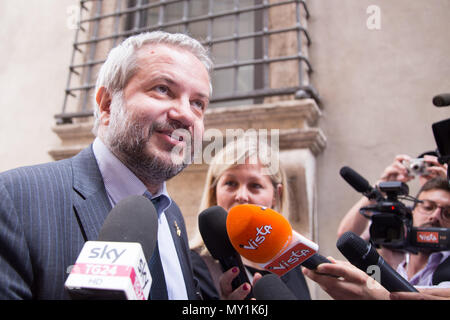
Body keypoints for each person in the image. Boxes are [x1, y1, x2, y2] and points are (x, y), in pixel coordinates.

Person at [0, 31, 212, 299]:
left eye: (198, 103)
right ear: (107, 105)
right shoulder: (15, 200)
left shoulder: (172, 217)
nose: (184, 114)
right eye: (162, 89)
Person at [190, 136, 311, 300]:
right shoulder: (195, 265)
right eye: (231, 183)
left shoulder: (289, 262)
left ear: (277, 195)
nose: (241, 196)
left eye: (255, 185)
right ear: (214, 192)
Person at [305, 176, 450, 299]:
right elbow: (346, 233)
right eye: (428, 207)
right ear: (412, 212)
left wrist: (368, 288)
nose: (435, 216)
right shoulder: (387, 254)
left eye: (448, 213)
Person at [337, 151, 448, 269]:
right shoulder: (397, 217)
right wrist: (381, 186)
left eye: (448, 213)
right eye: (421, 167)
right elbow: (347, 237)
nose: (435, 216)